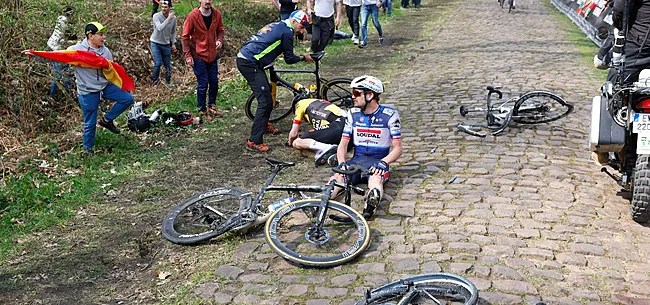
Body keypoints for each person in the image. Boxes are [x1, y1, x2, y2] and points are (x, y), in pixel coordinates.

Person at [237, 10, 314, 152]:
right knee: (265, 101)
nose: (302, 30)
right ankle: (254, 141)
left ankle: (263, 124)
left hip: (248, 57)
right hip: (249, 62)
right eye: (302, 27)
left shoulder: (277, 24)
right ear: (294, 21)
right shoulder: (287, 33)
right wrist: (304, 57)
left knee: (266, 96)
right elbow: (289, 59)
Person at [329, 75, 402, 219]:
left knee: (376, 179)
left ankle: (370, 204)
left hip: (377, 162)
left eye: (356, 93)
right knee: (337, 179)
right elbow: (343, 144)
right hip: (356, 161)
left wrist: (384, 162)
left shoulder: (390, 115)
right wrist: (342, 162)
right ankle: (321, 201)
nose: (352, 97)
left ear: (370, 95)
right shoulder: (352, 114)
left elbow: (398, 149)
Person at [69, 22, 134, 153]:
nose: (103, 38)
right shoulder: (76, 50)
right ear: (90, 36)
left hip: (105, 86)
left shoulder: (105, 51)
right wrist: (35, 54)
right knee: (90, 123)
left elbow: (111, 70)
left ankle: (106, 120)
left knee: (127, 99)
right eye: (100, 34)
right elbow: (56, 55)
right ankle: (88, 150)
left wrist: (119, 82)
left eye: (103, 34)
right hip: (88, 91)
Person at [182, 0, 225, 121]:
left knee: (214, 82)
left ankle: (211, 105)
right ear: (200, 0)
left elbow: (220, 30)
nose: (207, 1)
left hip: (212, 54)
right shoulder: (193, 16)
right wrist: (188, 56)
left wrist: (219, 41)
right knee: (203, 83)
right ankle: (202, 108)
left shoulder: (216, 14)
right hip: (198, 55)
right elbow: (185, 36)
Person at [288, 98, 346, 166]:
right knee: (304, 150)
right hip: (345, 128)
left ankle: (328, 148)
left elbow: (293, 134)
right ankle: (328, 157)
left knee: (297, 142)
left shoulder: (300, 104)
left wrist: (290, 143)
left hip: (338, 124)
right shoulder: (318, 103)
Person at [47, 5, 76, 99]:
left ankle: (67, 94)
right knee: (60, 74)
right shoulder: (65, 22)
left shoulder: (61, 19)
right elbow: (64, 36)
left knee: (65, 72)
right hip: (56, 50)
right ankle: (53, 95)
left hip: (54, 47)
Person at [150, 0, 177, 86]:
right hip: (155, 42)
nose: (163, 9)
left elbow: (173, 32)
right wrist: (169, 19)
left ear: (169, 8)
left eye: (165, 7)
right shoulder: (156, 16)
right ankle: (155, 83)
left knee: (167, 65)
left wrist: (173, 43)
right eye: (162, 7)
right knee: (158, 63)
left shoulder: (174, 19)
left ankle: (168, 83)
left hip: (166, 44)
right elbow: (159, 28)